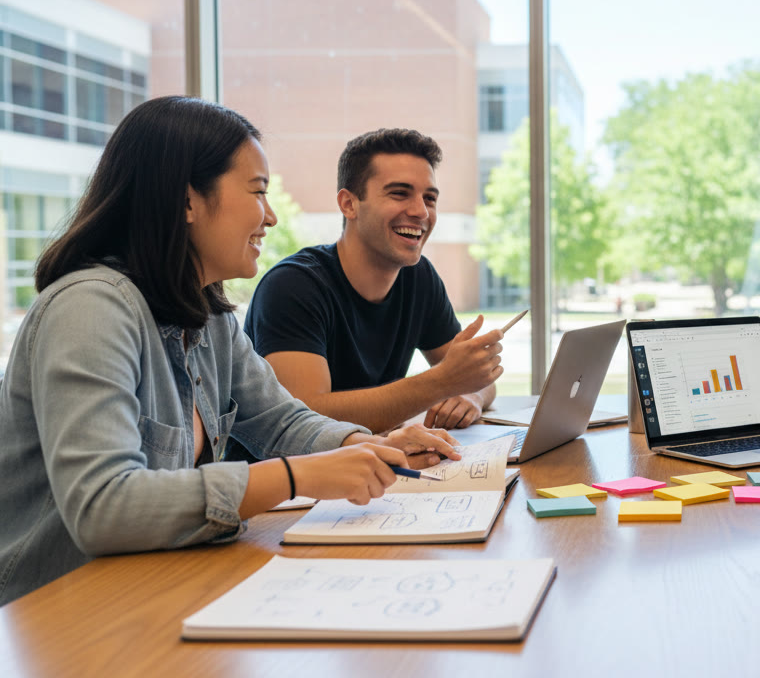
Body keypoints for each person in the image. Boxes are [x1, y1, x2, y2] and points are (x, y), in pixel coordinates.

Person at [0, 97, 461, 606]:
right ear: (187, 201)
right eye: (258, 191)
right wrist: (294, 476)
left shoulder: (209, 317)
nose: (270, 216)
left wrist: (368, 445)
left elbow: (283, 422)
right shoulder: (88, 309)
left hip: (153, 588)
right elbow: (104, 507)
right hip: (55, 613)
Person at [243, 129, 502, 436]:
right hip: (292, 478)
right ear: (349, 204)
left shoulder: (419, 277)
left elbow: (478, 380)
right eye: (399, 193)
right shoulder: (292, 287)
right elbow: (306, 420)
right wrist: (443, 382)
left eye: (429, 198)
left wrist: (469, 395)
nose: (421, 211)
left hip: (374, 466)